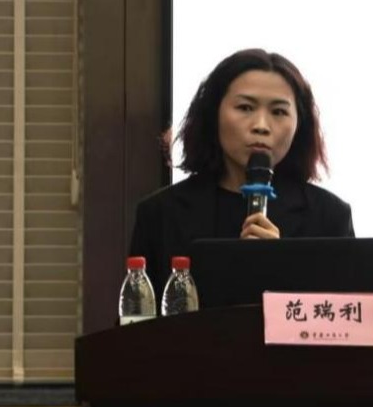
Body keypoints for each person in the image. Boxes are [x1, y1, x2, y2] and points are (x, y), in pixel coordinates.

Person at [129, 48, 355, 301]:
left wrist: (282, 266)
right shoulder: (161, 214)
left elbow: (348, 318)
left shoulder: (329, 217)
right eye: (245, 107)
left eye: (279, 112)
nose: (261, 126)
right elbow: (135, 319)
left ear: (299, 124)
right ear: (213, 114)